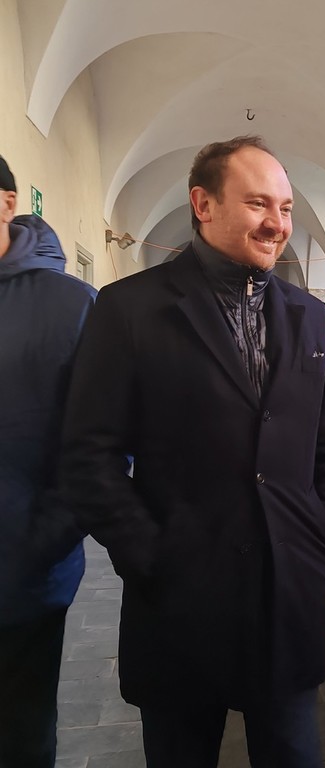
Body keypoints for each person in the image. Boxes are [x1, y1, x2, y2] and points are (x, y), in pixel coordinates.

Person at [59, 136, 325, 767]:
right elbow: (88, 456)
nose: (277, 222)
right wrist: (150, 556)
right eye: (258, 203)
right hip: (181, 605)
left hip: (287, 597)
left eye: (285, 207)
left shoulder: (308, 315)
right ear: (203, 204)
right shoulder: (131, 309)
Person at [0, 155, 95, 767]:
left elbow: (100, 441)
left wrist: (41, 542)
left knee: (21, 737)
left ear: (8, 203)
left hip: (22, 575)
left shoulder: (72, 305)